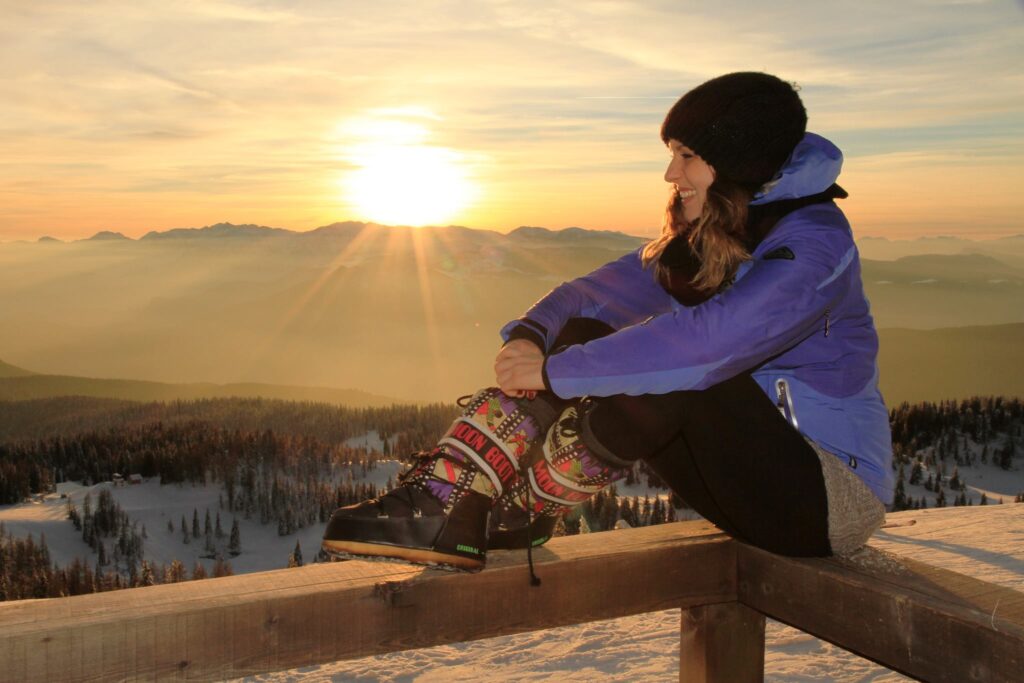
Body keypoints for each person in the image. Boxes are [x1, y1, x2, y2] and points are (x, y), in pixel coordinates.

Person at [321, 72, 892, 575]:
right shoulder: (721, 228)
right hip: (748, 479)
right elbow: (592, 296)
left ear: (736, 163)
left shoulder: (815, 245)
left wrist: (554, 374)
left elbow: (707, 347)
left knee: (680, 371)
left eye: (687, 155)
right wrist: (532, 336)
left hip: (826, 501)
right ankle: (481, 501)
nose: (672, 172)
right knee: (591, 337)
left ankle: (474, 500)